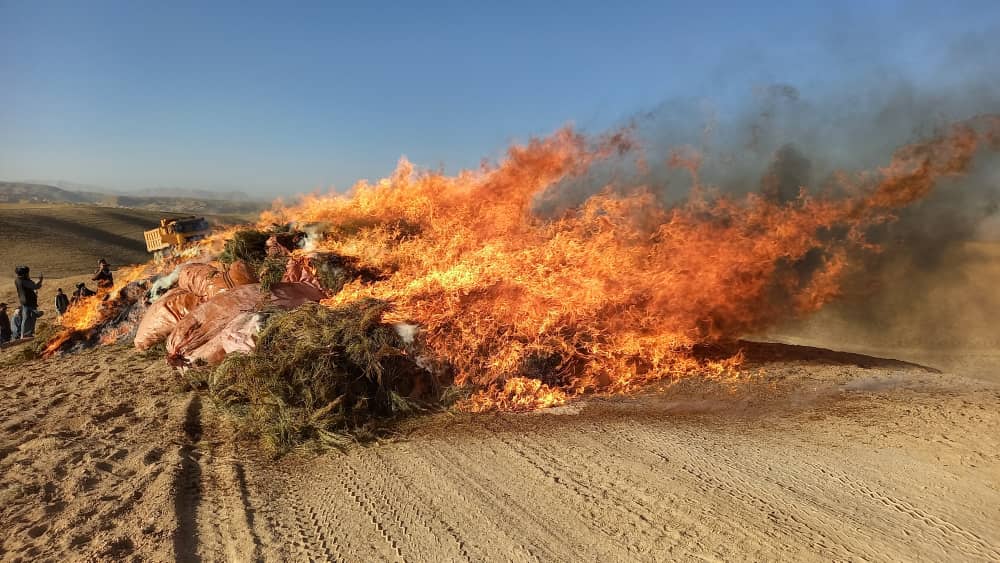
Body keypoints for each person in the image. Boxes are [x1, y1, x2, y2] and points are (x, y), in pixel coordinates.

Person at [14, 265, 43, 338]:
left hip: (24, 301)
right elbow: (36, 286)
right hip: (29, 302)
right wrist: (40, 280)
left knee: (26, 318)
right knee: (30, 318)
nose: (28, 274)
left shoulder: (17, 280)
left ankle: (25, 334)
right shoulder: (24, 281)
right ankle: (27, 334)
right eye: (27, 273)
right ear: (24, 274)